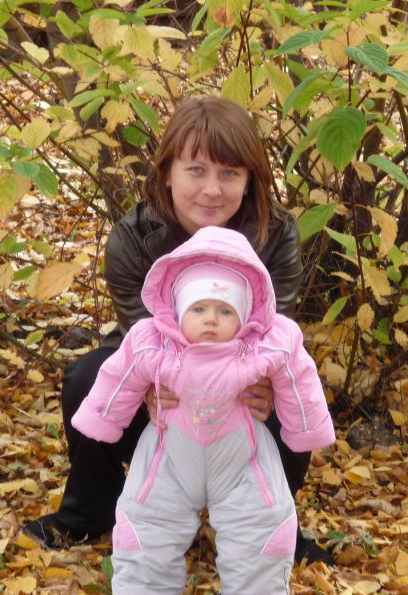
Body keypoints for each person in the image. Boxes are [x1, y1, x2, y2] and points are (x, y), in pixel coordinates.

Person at [23, 95, 334, 564]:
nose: (212, 189)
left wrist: (264, 384)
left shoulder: (276, 233)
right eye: (196, 171)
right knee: (88, 379)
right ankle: (87, 514)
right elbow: (145, 336)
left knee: (293, 389)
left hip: (242, 370)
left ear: (249, 180)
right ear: (167, 172)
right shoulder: (132, 237)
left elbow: (274, 334)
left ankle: (272, 523)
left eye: (229, 173)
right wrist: (158, 382)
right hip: (160, 366)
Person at [71, 226, 336, 595]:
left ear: (244, 315)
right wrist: (104, 418)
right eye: (199, 309)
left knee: (259, 532)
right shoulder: (152, 342)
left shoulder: (266, 345)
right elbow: (121, 375)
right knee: (147, 529)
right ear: (179, 311)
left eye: (224, 310)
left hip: (242, 459)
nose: (211, 319)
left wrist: (305, 428)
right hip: (168, 457)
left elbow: (298, 378)